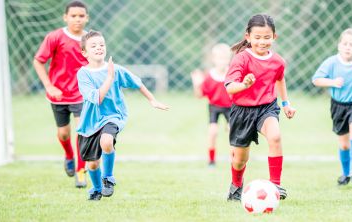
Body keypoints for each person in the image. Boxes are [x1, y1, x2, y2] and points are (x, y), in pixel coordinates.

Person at [76, 31, 169, 200]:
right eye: (93, 46)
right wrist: (109, 79)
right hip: (90, 122)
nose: (99, 48)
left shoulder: (115, 69)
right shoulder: (84, 74)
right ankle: (97, 189)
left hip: (113, 116)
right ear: (84, 52)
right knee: (92, 164)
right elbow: (97, 98)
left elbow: (137, 82)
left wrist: (152, 100)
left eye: (101, 45)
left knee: (106, 141)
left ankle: (108, 178)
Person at [225, 14, 296, 201]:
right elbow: (230, 87)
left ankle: (275, 185)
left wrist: (286, 103)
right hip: (242, 111)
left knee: (275, 136)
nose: (262, 41)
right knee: (240, 160)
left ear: (274, 37)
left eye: (267, 37)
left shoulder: (278, 61)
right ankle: (236, 186)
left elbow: (279, 78)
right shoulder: (241, 59)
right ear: (248, 36)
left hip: (267, 107)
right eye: (257, 37)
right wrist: (244, 85)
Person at [33, 0, 89, 188]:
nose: (77, 19)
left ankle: (81, 171)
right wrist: (49, 86)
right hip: (58, 95)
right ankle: (68, 156)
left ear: (87, 18)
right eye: (73, 16)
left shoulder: (90, 40)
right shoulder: (55, 37)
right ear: (65, 17)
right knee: (64, 134)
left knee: (83, 130)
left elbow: (98, 65)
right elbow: (38, 61)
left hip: (83, 94)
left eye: (81, 16)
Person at [312, 28, 352, 186]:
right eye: (345, 43)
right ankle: (345, 174)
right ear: (339, 46)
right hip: (338, 106)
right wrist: (332, 82)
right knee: (344, 143)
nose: (348, 47)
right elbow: (316, 79)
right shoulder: (331, 62)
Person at [190, 43, 233, 166]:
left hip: (230, 107)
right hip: (214, 107)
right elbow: (199, 95)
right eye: (220, 58)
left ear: (229, 59)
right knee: (213, 132)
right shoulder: (209, 76)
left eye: (225, 58)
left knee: (232, 131)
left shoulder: (232, 74)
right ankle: (211, 160)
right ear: (214, 59)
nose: (222, 61)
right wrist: (197, 84)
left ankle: (233, 159)